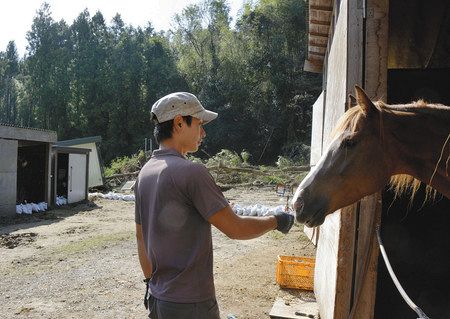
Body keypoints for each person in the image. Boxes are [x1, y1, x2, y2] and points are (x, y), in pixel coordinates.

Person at [135, 92, 294, 319]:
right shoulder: (192, 172)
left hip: (159, 301)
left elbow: (140, 237)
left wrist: (151, 282)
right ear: (179, 122)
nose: (203, 133)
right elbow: (235, 229)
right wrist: (277, 220)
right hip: (192, 305)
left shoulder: (145, 173)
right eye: (199, 124)